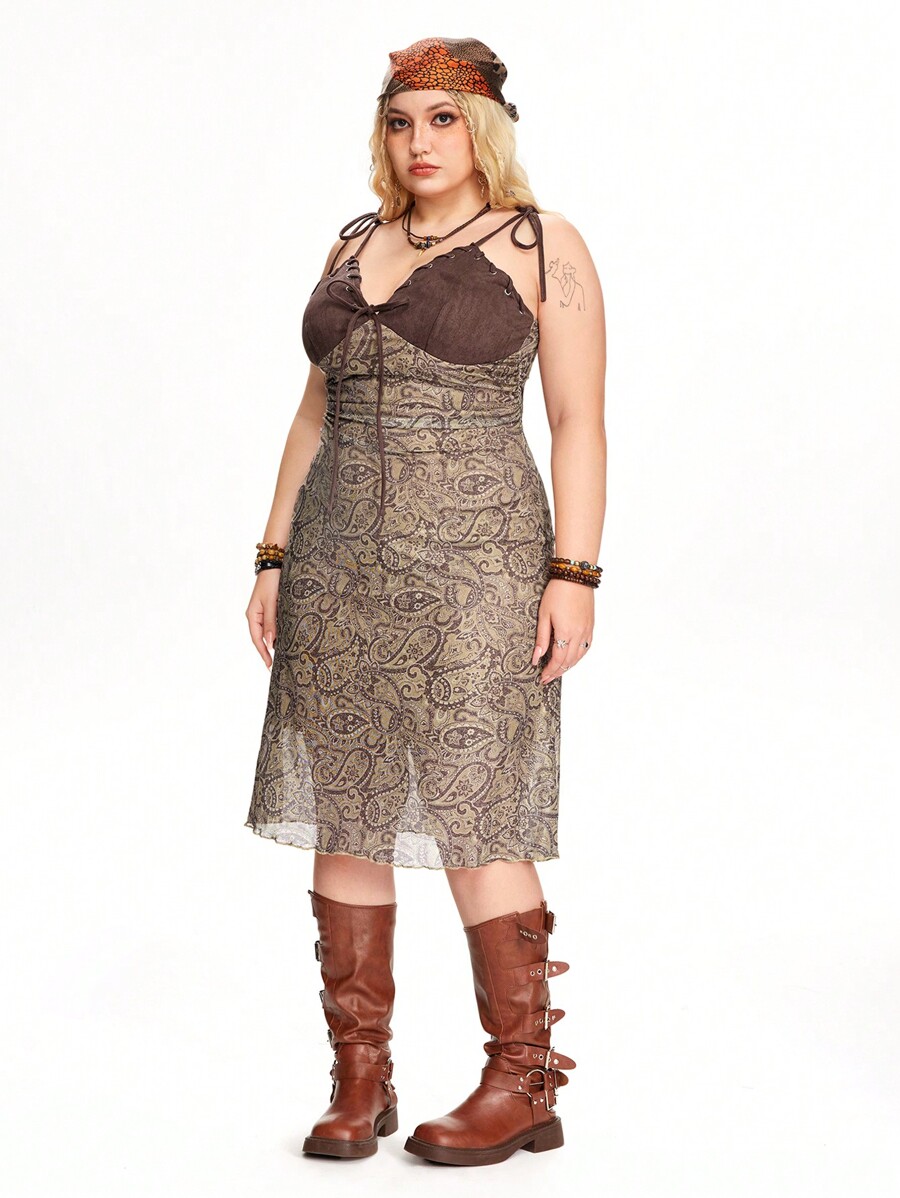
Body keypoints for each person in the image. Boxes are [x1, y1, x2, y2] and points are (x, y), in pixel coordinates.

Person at [244, 36, 606, 1166]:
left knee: (473, 800)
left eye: (443, 119)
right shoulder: (354, 243)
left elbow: (579, 421)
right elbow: (313, 411)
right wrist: (272, 553)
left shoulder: (542, 244)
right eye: (400, 121)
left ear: (483, 126)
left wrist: (574, 574)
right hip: (338, 557)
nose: (420, 142)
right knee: (345, 802)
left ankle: (523, 1080)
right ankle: (361, 1081)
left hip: (479, 562)